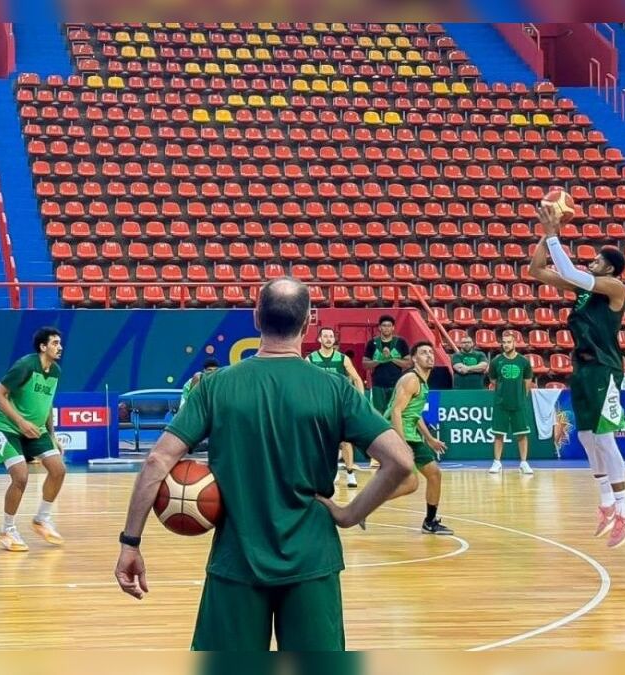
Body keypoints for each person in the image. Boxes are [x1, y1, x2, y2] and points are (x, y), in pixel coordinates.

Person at [113, 278, 414, 651]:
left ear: (256, 317)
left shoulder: (215, 386)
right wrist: (349, 514)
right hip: (313, 561)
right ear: (308, 323)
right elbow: (400, 461)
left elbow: (157, 460)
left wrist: (131, 543)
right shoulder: (335, 388)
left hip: (236, 561)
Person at [530, 202, 625, 548]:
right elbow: (537, 271)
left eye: (596, 258)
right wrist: (545, 234)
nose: (591, 260)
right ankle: (607, 503)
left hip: (605, 369)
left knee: (605, 438)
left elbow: (573, 272)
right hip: (582, 367)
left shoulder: (614, 288)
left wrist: (553, 235)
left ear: (609, 267)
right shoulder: (583, 290)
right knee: (586, 438)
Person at [0, 327, 67, 552]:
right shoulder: (25, 365)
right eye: (54, 343)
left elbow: (47, 403)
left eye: (60, 343)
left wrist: (52, 436)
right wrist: (21, 422)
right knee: (21, 477)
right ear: (43, 347)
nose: (60, 347)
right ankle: (6, 529)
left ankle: (42, 518)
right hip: (7, 428)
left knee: (58, 470)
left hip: (36, 430)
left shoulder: (55, 371)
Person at [383, 341, 454, 535]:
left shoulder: (422, 381)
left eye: (431, 352)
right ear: (414, 358)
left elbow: (414, 414)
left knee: (434, 475)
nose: (429, 356)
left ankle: (430, 522)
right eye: (423, 353)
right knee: (410, 483)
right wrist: (402, 444)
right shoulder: (411, 380)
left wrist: (430, 439)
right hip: (399, 435)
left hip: (411, 435)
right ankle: (365, 505)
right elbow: (396, 412)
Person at [307, 327, 367, 488]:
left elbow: (357, 379)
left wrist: (360, 399)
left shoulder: (343, 359)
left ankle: (350, 474)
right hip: (319, 406)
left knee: (346, 440)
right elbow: (304, 383)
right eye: (325, 336)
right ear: (319, 339)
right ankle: (328, 472)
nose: (328, 339)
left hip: (340, 405)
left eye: (331, 336)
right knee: (322, 441)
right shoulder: (310, 359)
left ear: (334, 340)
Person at [488, 332, 535, 475]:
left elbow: (527, 381)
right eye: (504, 342)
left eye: (509, 342)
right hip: (501, 403)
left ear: (515, 343)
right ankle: (497, 463)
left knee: (522, 434)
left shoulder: (523, 362)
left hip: (519, 404)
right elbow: (493, 380)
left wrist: (520, 397)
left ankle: (524, 463)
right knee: (498, 434)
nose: (506, 344)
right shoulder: (496, 361)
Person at [363, 315, 410, 416]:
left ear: (393, 328)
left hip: (397, 384)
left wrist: (391, 358)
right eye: (384, 325)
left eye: (389, 325)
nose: (386, 328)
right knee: (378, 413)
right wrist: (380, 360)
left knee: (396, 412)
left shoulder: (401, 342)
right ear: (379, 328)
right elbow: (365, 364)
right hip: (378, 385)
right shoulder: (372, 343)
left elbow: (408, 363)